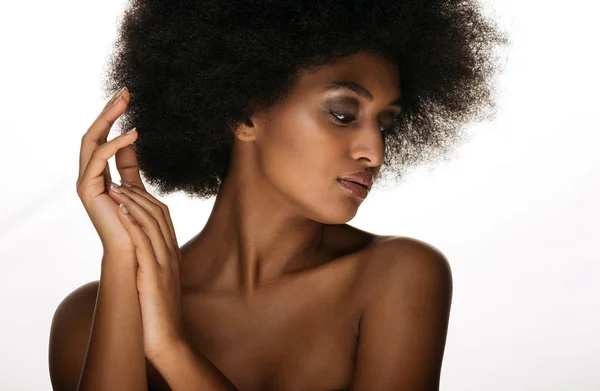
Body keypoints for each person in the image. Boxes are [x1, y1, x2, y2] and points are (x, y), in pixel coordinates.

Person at [48, 0, 508, 390]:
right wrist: (123, 261)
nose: (374, 152)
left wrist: (171, 350)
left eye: (385, 124)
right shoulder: (85, 320)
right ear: (244, 114)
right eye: (345, 115)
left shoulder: (396, 277)